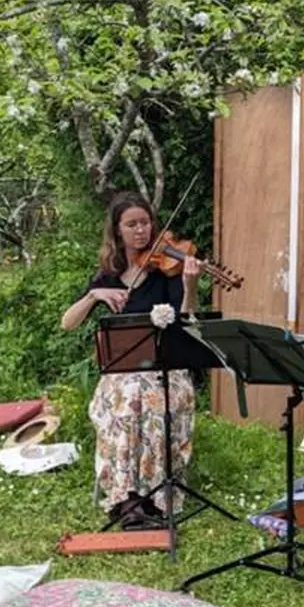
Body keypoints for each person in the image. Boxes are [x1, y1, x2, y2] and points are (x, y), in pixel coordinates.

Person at [61, 192, 201, 531]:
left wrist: (190, 284)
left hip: (165, 369)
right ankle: (128, 498)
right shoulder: (108, 276)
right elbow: (68, 322)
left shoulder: (166, 273)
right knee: (126, 400)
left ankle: (153, 497)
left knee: (147, 399)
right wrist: (94, 295)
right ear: (117, 231)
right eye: (132, 224)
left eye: (145, 222)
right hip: (122, 373)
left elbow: (188, 320)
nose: (141, 230)